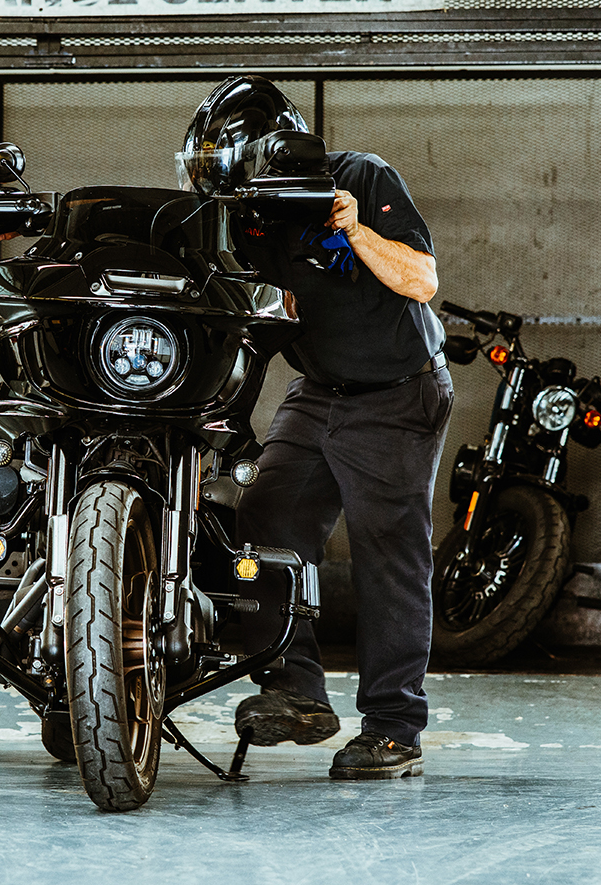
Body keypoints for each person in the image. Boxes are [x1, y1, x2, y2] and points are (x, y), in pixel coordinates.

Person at [182, 75, 453, 780]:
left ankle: (395, 728)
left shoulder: (360, 177)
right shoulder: (244, 221)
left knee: (387, 553)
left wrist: (354, 227)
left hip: (399, 391)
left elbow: (421, 279)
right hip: (318, 390)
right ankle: (295, 687)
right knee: (266, 516)